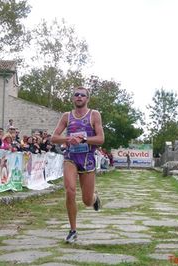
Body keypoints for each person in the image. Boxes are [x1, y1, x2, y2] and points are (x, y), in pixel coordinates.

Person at [51, 86, 105, 244]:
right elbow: (54, 138)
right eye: (76, 95)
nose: (79, 97)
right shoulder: (67, 116)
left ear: (87, 99)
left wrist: (84, 139)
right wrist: (67, 140)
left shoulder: (94, 115)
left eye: (83, 95)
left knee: (86, 201)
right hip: (71, 157)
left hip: (87, 159)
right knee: (70, 190)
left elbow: (101, 139)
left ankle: (95, 199)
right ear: (73, 98)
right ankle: (73, 230)